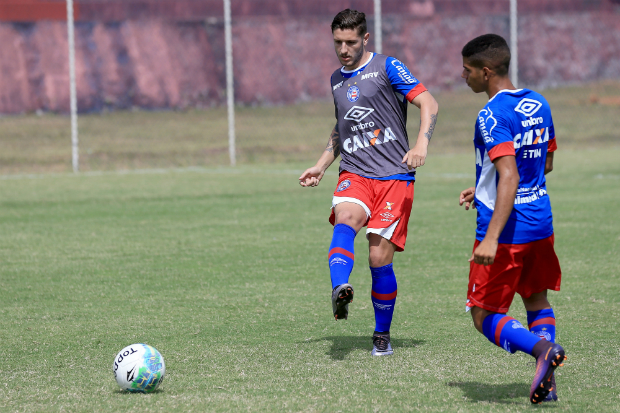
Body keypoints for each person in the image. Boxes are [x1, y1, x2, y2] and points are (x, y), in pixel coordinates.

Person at [299, 9, 438, 356]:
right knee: (344, 220)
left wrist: (421, 143)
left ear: (365, 39)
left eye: (350, 42)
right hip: (355, 172)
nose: (343, 49)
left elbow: (428, 102)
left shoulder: (388, 67)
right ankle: (340, 288)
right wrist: (321, 165)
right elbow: (341, 128)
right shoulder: (336, 79)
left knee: (378, 259)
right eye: (337, 43)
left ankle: (381, 335)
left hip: (394, 176)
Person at [458, 34, 566, 404]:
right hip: (541, 221)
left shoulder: (491, 114)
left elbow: (509, 175)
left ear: (486, 72)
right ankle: (547, 385)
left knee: (482, 314)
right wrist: (483, 186)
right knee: (536, 300)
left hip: (508, 232)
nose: (463, 76)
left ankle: (541, 351)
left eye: (468, 70)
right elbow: (544, 163)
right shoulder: (539, 102)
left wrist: (490, 237)